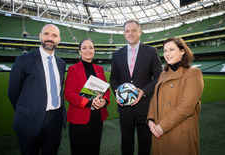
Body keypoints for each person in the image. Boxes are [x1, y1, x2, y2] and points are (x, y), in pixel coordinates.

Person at [8, 24, 66, 155]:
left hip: (55, 120)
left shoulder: (61, 63)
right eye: (46, 34)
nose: (50, 38)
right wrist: (26, 112)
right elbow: (13, 92)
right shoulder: (23, 60)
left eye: (54, 35)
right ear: (40, 36)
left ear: (59, 40)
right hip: (30, 120)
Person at [110, 20, 162, 155]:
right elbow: (113, 78)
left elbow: (158, 77)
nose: (130, 33)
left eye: (133, 30)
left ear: (140, 32)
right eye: (127, 31)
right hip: (124, 108)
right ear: (124, 34)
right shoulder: (117, 54)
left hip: (144, 106)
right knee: (126, 143)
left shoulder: (151, 51)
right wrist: (117, 92)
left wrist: (144, 91)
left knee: (145, 143)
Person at [147, 37, 204, 155]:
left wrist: (162, 127)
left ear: (182, 51)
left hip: (178, 132)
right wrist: (151, 120)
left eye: (171, 49)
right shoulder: (163, 74)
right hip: (158, 131)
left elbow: (187, 107)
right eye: (165, 50)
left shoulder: (193, 73)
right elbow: (154, 99)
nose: (167, 54)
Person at [64, 39, 110, 155]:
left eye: (91, 47)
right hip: (79, 118)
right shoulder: (73, 69)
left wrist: (104, 101)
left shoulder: (99, 69)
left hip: (97, 117)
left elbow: (106, 90)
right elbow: (68, 94)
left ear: (94, 50)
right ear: (79, 51)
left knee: (94, 149)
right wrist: (89, 103)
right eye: (84, 48)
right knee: (80, 150)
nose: (88, 50)